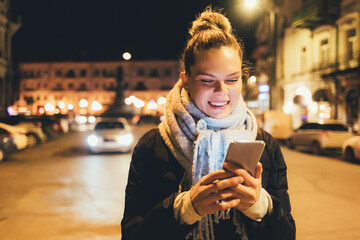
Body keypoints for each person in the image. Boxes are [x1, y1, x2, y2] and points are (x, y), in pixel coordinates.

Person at [121, 7, 295, 240]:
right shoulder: (153, 145)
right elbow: (132, 234)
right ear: (186, 80)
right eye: (207, 80)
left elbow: (288, 235)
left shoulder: (264, 144)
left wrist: (261, 206)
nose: (221, 91)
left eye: (232, 80)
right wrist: (186, 208)